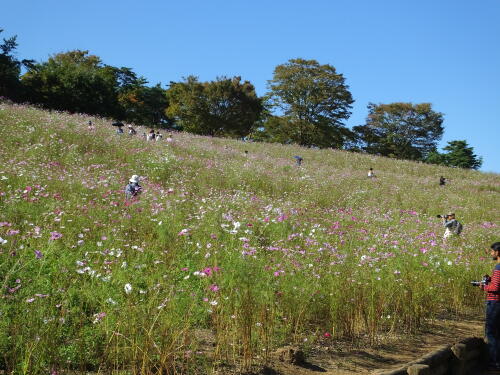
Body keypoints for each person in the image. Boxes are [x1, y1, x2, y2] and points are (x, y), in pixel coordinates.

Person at [478, 242, 500, 369]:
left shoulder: (498, 267)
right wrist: (490, 279)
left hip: (495, 302)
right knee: (497, 332)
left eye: (492, 251)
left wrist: (484, 287)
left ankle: (494, 362)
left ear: (498, 252)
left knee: (491, 332)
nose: (491, 253)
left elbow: (495, 287)